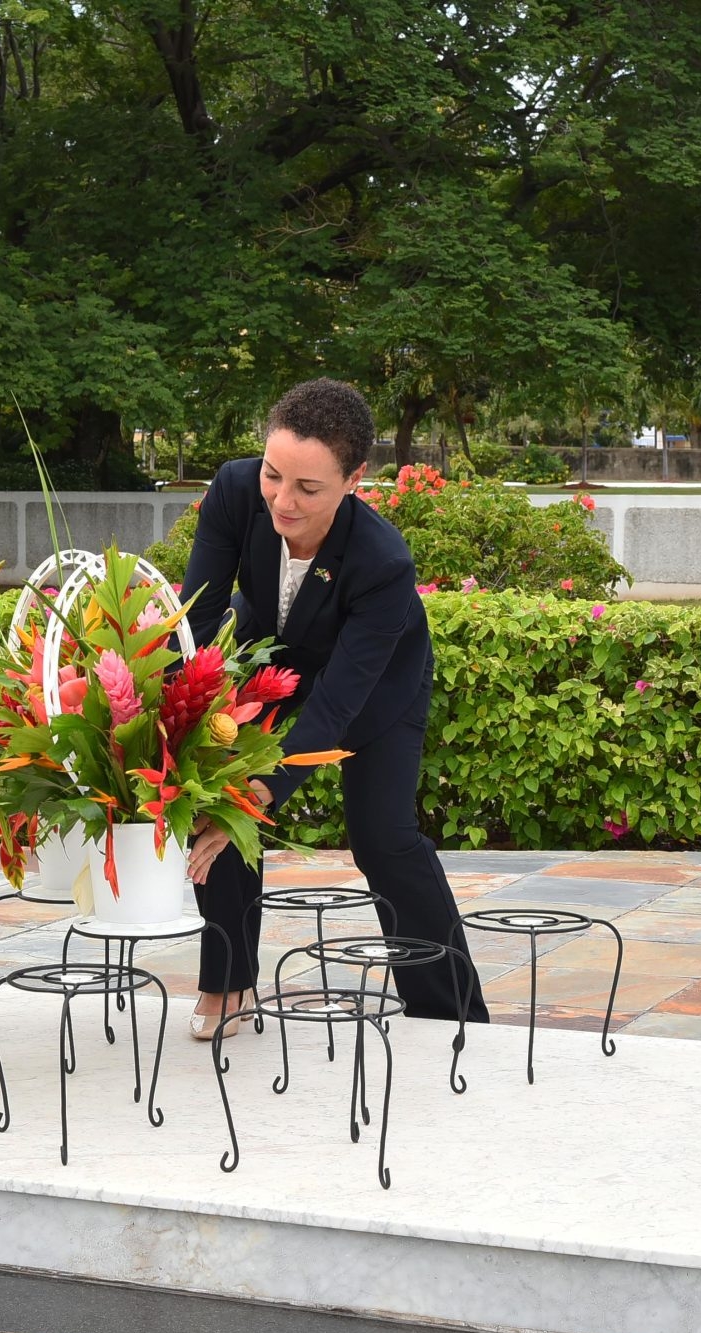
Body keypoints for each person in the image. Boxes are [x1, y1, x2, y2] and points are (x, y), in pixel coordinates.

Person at [180, 378, 490, 1038]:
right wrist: (203, 737)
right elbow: (200, 619)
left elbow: (336, 705)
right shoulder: (236, 492)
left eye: (307, 489)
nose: (281, 501)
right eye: (273, 475)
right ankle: (228, 985)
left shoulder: (383, 563)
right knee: (221, 776)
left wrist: (263, 789)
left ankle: (452, 1009)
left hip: (375, 683)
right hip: (271, 652)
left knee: (382, 837)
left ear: (354, 479)